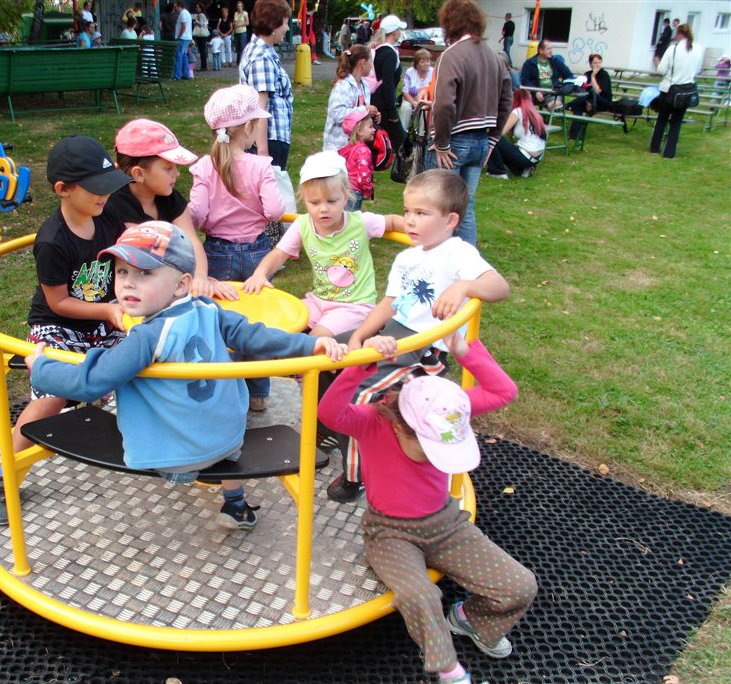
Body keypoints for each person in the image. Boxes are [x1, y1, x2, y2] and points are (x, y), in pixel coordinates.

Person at [27, 221, 348, 530]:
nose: (128, 283)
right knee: (215, 413)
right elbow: (255, 336)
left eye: (145, 273)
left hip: (173, 458)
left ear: (182, 283)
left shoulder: (148, 336)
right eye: (122, 272)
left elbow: (91, 381)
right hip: (229, 441)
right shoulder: (208, 309)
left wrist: (41, 367)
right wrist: (310, 344)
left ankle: (217, 489)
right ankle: (235, 504)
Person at [317, 330, 536, 684]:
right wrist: (362, 364)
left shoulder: (447, 412)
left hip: (446, 525)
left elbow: (503, 392)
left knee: (520, 586)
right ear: (400, 427)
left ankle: (470, 621)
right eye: (430, 449)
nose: (437, 459)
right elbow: (330, 413)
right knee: (420, 595)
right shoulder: (374, 422)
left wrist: (465, 350)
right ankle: (447, 668)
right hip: (390, 534)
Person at [322, 169, 511, 503]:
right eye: (407, 211)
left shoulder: (457, 253)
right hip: (394, 334)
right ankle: (329, 430)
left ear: (450, 220)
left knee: (361, 394)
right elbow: (390, 304)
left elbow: (500, 287)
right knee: (326, 357)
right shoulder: (408, 257)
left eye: (422, 213)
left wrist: (465, 286)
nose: (409, 220)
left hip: (422, 350)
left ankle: (355, 476)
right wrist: (359, 335)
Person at [0, 136, 133, 524]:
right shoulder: (53, 241)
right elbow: (58, 302)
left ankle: (160, 437)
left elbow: (127, 255)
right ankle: (4, 476)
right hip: (58, 324)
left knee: (146, 359)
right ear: (63, 190)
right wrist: (109, 309)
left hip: (102, 319)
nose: (105, 195)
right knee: (53, 395)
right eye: (96, 188)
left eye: (108, 186)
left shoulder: (107, 217)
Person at [190, 84, 286, 411]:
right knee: (258, 321)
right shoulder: (260, 166)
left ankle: (221, 388)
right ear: (247, 128)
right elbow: (275, 210)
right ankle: (257, 392)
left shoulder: (205, 167)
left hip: (217, 254)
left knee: (218, 320)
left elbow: (197, 215)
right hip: (257, 253)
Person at [243, 151, 398, 341]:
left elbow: (391, 222)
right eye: (314, 202)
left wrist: (413, 227)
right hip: (318, 301)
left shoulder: (360, 223)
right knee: (283, 324)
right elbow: (278, 254)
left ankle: (306, 359)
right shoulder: (303, 225)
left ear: (345, 196)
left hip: (354, 306)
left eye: (331, 201)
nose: (323, 208)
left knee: (315, 340)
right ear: (304, 199)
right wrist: (260, 273)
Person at [107, 119, 233, 302]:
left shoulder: (170, 197)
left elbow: (191, 242)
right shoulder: (117, 206)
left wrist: (200, 278)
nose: (177, 173)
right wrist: (187, 283)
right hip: (134, 295)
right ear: (139, 174)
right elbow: (149, 258)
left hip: (167, 285)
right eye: (168, 168)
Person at [426, 0, 512, 246]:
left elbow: (444, 104)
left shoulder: (451, 55)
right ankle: (467, 262)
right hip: (481, 140)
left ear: (449, 23)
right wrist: (492, 140)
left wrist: (441, 143)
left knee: (437, 206)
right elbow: (507, 101)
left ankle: (437, 261)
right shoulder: (495, 57)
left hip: (454, 142)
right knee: (465, 207)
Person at [240, 0, 294, 171]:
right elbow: (259, 109)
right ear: (273, 24)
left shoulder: (264, 52)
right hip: (269, 140)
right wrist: (263, 155)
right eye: (285, 23)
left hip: (274, 138)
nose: (287, 28)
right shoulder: (261, 57)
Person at [651, 23, 703, 159]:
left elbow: (661, 69)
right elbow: (697, 70)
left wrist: (658, 64)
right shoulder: (697, 49)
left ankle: (655, 148)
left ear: (679, 34)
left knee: (662, 119)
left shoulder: (673, 49)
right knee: (676, 122)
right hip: (686, 90)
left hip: (669, 89)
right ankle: (669, 152)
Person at [323, 45, 379, 151]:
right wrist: (365, 110)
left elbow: (363, 115)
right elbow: (338, 114)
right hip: (338, 146)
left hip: (357, 146)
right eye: (371, 62)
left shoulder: (364, 86)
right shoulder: (342, 86)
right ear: (363, 63)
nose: (372, 66)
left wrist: (372, 116)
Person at [486, 88, 546, 179]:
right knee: (506, 147)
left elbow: (500, 132)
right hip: (536, 157)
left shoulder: (518, 111)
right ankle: (523, 170)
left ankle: (498, 171)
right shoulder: (534, 113)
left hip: (525, 155)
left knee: (491, 137)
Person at [370, 14, 407, 157]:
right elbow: (388, 83)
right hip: (384, 104)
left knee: (376, 140)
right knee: (400, 140)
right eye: (399, 30)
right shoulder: (390, 53)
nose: (400, 33)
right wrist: (393, 111)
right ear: (394, 32)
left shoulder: (378, 49)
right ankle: (401, 167)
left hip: (375, 100)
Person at [567, 53, 612, 142]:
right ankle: (574, 136)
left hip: (603, 102)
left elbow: (597, 91)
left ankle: (568, 105)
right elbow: (581, 89)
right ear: (590, 65)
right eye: (595, 63)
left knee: (591, 92)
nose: (597, 65)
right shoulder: (587, 74)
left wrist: (593, 76)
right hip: (588, 101)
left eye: (599, 62)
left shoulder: (604, 74)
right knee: (578, 108)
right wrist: (588, 102)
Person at [338, 111, 376, 210]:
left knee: (344, 216)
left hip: (344, 189)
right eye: (371, 127)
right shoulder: (363, 151)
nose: (374, 130)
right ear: (360, 131)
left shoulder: (350, 148)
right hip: (355, 192)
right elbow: (364, 174)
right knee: (352, 218)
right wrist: (367, 190)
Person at [519, 40, 574, 109]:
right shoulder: (529, 63)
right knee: (523, 104)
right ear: (541, 51)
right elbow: (525, 80)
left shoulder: (556, 61)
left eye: (551, 48)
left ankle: (548, 111)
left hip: (552, 93)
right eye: (548, 49)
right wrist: (536, 92)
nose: (551, 51)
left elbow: (569, 75)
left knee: (556, 105)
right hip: (533, 93)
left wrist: (565, 87)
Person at [400, 48, 434, 132]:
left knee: (425, 110)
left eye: (428, 61)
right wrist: (414, 103)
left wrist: (422, 103)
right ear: (417, 64)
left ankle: (421, 135)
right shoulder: (410, 72)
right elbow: (405, 91)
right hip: (411, 99)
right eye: (422, 62)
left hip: (426, 101)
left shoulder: (433, 72)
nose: (426, 64)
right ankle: (402, 133)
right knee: (405, 108)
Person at [173, 0, 193, 79]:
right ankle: (186, 74)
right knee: (184, 55)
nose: (175, 8)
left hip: (183, 37)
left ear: (179, 6)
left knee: (179, 55)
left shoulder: (183, 13)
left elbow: (183, 26)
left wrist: (179, 36)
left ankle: (177, 75)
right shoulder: (186, 13)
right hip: (187, 37)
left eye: (175, 6)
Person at [193, 4, 210, 69]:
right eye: (196, 7)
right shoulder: (199, 15)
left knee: (202, 50)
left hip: (202, 34)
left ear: (201, 8)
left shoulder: (201, 15)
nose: (196, 9)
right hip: (200, 34)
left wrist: (196, 21)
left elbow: (203, 24)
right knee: (201, 50)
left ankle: (203, 66)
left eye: (198, 7)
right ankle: (203, 65)